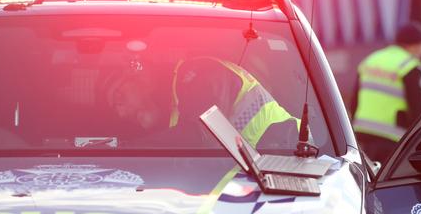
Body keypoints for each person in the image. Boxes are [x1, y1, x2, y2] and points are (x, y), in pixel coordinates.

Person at [106, 57, 298, 148]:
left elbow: (202, 134)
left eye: (119, 95)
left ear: (140, 78)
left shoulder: (194, 73)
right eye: (137, 118)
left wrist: (134, 147)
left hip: (291, 150)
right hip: (264, 161)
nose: (119, 109)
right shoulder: (177, 110)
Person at [351, 21, 421, 163]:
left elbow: (354, 101)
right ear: (414, 45)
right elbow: (418, 108)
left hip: (362, 135)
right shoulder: (409, 66)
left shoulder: (371, 60)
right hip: (391, 139)